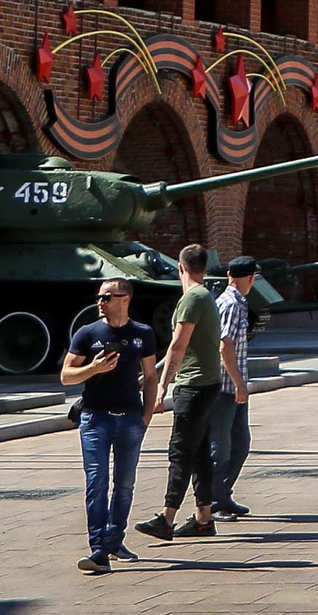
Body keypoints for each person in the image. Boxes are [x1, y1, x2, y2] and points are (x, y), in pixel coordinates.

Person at [60, 281, 159, 573]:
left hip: (130, 418)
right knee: (97, 482)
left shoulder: (142, 334)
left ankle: (115, 540)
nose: (101, 301)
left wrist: (146, 416)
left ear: (124, 299)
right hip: (95, 419)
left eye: (107, 297)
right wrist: (93, 368)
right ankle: (99, 549)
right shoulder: (88, 333)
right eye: (99, 297)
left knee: (125, 485)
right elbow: (66, 376)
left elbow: (150, 376)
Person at [134, 244, 225, 543]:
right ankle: (203, 517)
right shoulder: (205, 296)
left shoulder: (191, 298)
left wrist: (160, 386)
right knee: (198, 452)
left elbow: (177, 345)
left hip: (194, 384)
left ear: (180, 268)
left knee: (180, 451)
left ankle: (167, 518)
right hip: (208, 382)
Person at [206, 255, 258, 521]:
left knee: (240, 443)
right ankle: (214, 502)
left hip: (233, 387)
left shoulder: (235, 301)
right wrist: (239, 384)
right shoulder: (231, 304)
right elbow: (224, 344)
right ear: (250, 278)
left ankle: (223, 494)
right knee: (222, 446)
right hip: (225, 388)